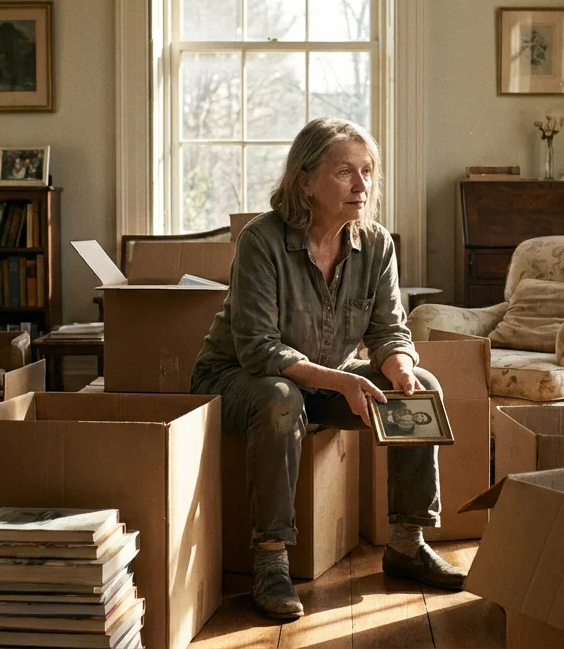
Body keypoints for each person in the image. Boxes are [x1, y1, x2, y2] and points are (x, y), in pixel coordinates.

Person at [191, 117, 465, 621]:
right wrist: (342, 379)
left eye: (368, 172)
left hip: (322, 377)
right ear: (305, 180)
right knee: (279, 397)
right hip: (236, 379)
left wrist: (399, 366)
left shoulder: (376, 243)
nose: (362, 185)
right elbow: (257, 350)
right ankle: (271, 561)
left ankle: (407, 542)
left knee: (421, 385)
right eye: (345, 172)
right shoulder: (261, 240)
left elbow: (388, 332)